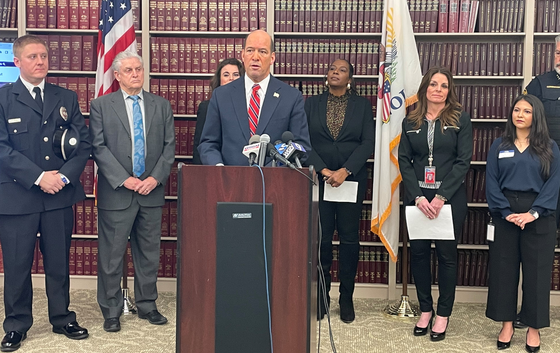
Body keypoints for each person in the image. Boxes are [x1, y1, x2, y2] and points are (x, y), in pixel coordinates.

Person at [0, 34, 91, 352]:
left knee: (58, 262)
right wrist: (38, 177)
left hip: (58, 196)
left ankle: (63, 317)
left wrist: (63, 179)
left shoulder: (65, 97)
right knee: (16, 264)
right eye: (33, 57)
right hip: (17, 197)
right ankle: (16, 325)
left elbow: (83, 144)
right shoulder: (2, 98)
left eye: (44, 56)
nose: (40, 62)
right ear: (17, 62)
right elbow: (1, 148)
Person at [89, 51, 175, 333]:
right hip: (117, 191)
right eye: (129, 70)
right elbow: (98, 147)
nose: (136, 74)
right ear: (116, 75)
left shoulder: (161, 105)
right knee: (112, 255)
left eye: (139, 69)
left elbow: (168, 147)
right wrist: (124, 179)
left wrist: (155, 178)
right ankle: (111, 310)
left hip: (151, 191)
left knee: (149, 253)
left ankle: (147, 304)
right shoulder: (101, 105)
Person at [398, 67, 472, 341]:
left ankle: (443, 314)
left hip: (449, 200)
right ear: (425, 88)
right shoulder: (411, 120)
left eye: (443, 85)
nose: (438, 89)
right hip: (417, 200)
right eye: (433, 84)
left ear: (449, 90)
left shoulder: (460, 118)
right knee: (418, 255)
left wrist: (440, 197)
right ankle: (425, 310)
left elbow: (464, 161)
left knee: (446, 257)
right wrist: (417, 196)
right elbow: (404, 160)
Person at [485, 94, 560, 353]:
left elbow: (553, 184)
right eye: (516, 110)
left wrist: (534, 213)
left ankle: (533, 328)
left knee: (537, 274)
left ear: (535, 116)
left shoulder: (549, 146)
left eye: (526, 111)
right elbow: (491, 181)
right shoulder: (499, 145)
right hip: (505, 215)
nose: (520, 115)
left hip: (538, 216)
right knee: (503, 272)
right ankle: (506, 324)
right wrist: (505, 212)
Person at [304, 59, 374, 323]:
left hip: (351, 181)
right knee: (321, 241)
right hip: (318, 180)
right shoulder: (311, 104)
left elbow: (368, 141)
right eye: (332, 68)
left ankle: (347, 298)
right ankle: (322, 297)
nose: (335, 72)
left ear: (350, 79)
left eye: (342, 69)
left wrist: (345, 170)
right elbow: (303, 140)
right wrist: (323, 170)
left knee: (348, 241)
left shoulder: (363, 106)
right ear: (326, 75)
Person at [198, 29, 311, 166]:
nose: (255, 57)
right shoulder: (222, 95)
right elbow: (208, 143)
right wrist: (219, 170)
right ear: (243, 55)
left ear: (272, 58)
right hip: (228, 182)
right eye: (250, 50)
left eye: (262, 52)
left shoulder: (291, 97)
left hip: (274, 182)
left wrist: (273, 170)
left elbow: (300, 146)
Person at [192, 58, 244, 164]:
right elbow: (201, 145)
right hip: (214, 168)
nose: (231, 78)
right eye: (226, 75)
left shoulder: (249, 108)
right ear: (219, 79)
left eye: (236, 74)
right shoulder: (207, 107)